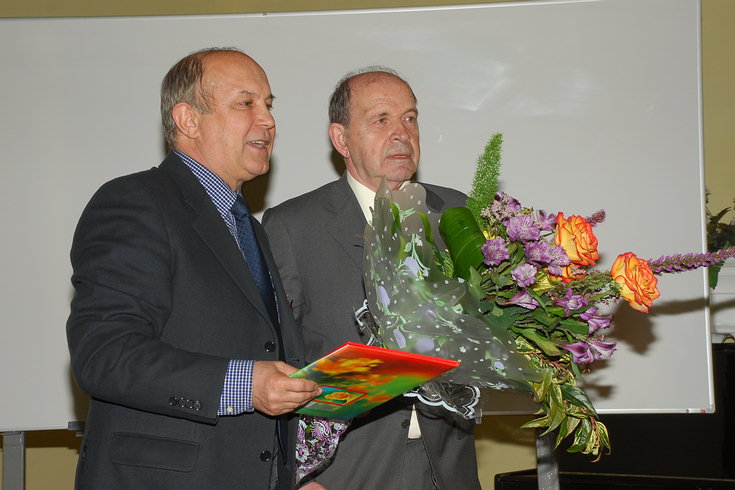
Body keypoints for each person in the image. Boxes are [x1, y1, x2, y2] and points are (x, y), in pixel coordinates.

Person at [66, 48, 321, 490]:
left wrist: (288, 477)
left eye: (268, 104)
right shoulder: (136, 202)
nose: (267, 120)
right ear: (188, 120)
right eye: (246, 103)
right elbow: (104, 354)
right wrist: (246, 383)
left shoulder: (248, 228)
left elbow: (261, 352)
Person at [262, 68, 482, 489]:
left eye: (410, 118)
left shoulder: (456, 212)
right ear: (341, 139)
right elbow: (269, 357)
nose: (401, 133)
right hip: (343, 473)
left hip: (449, 467)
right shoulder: (293, 226)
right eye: (381, 120)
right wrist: (292, 478)